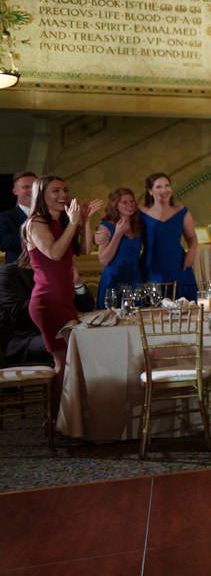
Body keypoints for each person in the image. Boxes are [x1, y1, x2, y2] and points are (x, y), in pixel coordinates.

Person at [22, 176, 102, 422]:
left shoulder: (63, 222)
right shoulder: (35, 223)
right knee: (63, 361)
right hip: (47, 301)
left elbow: (86, 250)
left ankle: (67, 417)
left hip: (64, 300)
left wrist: (85, 220)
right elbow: (55, 254)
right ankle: (56, 419)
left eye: (65, 189)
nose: (63, 194)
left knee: (71, 360)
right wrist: (73, 222)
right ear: (42, 195)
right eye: (55, 190)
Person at [0, 254, 93, 367]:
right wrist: (52, 287)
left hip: (58, 332)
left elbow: (86, 306)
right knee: (70, 343)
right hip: (23, 338)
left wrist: (77, 283)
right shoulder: (9, 272)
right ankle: (66, 384)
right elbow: (18, 311)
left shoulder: (58, 272)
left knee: (89, 339)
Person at [141, 172, 199, 300]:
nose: (164, 190)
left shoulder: (182, 211)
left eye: (167, 186)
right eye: (159, 187)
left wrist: (191, 253)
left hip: (178, 264)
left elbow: (192, 238)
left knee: (183, 310)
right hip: (151, 265)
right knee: (152, 310)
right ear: (150, 191)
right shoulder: (141, 213)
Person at [93, 187, 145, 309]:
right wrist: (118, 234)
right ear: (115, 205)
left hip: (135, 279)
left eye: (132, 201)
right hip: (113, 280)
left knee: (137, 322)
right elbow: (103, 260)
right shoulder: (105, 226)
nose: (130, 205)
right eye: (125, 202)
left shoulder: (137, 224)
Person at [0, 171, 36, 264]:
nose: (32, 190)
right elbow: (3, 243)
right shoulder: (5, 217)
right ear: (15, 191)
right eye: (26, 187)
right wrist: (37, 235)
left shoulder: (53, 214)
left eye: (34, 187)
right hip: (19, 271)